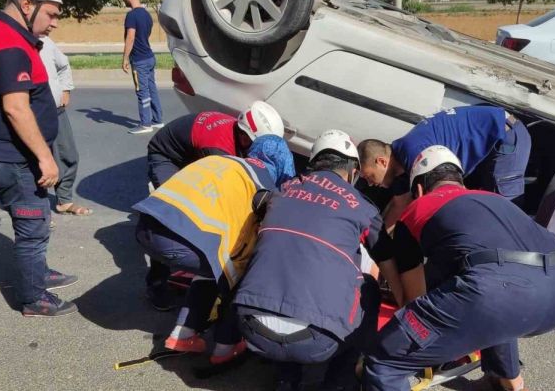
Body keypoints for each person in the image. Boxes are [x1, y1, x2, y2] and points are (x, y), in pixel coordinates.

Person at [362, 146, 555, 391]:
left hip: (500, 294)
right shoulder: (495, 200)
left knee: (385, 360)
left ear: (419, 189)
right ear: (461, 183)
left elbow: (414, 301)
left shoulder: (417, 210)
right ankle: (512, 385)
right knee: (497, 299)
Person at [233, 130, 384, 391]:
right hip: (316, 343)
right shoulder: (362, 206)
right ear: (352, 172)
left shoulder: (279, 193)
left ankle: (286, 380)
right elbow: (389, 260)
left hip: (251, 329)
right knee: (369, 287)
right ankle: (338, 384)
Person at [135, 135, 296, 364]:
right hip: (180, 241)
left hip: (146, 225)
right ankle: (225, 346)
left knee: (213, 264)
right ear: (282, 164)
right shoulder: (264, 186)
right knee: (240, 274)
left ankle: (183, 334)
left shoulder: (224, 161)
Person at [0, 0, 77, 317]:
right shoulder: (8, 44)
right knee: (33, 226)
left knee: (34, 223)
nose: (55, 22)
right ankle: (33, 297)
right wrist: (45, 158)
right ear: (26, 4)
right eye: (51, 14)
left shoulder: (0, 34)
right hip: (15, 157)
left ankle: (37, 272)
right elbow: (16, 109)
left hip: (13, 154)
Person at [144, 101, 285, 310]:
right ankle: (156, 284)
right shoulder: (219, 148)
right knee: (172, 215)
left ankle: (196, 264)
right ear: (245, 136)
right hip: (168, 157)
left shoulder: (238, 136)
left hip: (192, 152)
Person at [358, 105, 531, 228]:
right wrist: (378, 250)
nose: (371, 184)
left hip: (505, 133)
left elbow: (439, 202)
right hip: (491, 138)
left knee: (502, 214)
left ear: (381, 161)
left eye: (370, 177)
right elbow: (399, 204)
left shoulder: (415, 153)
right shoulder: (401, 160)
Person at [39, 36, 92, 217]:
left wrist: (65, 89)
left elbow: (63, 65)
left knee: (67, 154)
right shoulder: (12, 39)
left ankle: (64, 201)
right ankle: (36, 210)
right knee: (32, 161)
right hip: (28, 114)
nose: (54, 24)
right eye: (50, 15)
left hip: (55, 110)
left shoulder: (45, 41)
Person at [121, 0, 162, 134]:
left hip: (139, 60)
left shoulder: (131, 15)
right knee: (152, 89)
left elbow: (130, 38)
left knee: (142, 91)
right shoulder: (147, 14)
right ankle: (158, 120)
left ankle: (145, 124)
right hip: (150, 57)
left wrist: (125, 58)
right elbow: (146, 34)